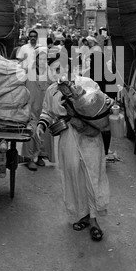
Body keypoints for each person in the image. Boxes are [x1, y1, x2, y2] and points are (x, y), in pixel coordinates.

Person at [36, 72, 109, 242]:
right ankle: (81, 215)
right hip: (67, 136)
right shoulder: (52, 90)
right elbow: (47, 111)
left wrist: (79, 98)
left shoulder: (87, 83)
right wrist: (41, 125)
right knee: (72, 176)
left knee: (92, 176)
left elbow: (97, 104)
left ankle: (94, 219)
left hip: (89, 136)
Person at [22, 47, 55, 171]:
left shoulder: (49, 72)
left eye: (44, 58)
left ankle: (41, 155)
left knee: (44, 131)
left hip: (44, 107)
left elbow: (53, 86)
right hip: (31, 106)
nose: (42, 61)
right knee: (31, 130)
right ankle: (30, 158)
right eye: (39, 58)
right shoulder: (28, 71)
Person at [85, 37, 117, 160]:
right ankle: (103, 152)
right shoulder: (106, 75)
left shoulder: (89, 75)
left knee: (96, 130)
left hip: (93, 109)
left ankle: (98, 153)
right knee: (104, 130)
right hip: (102, 108)